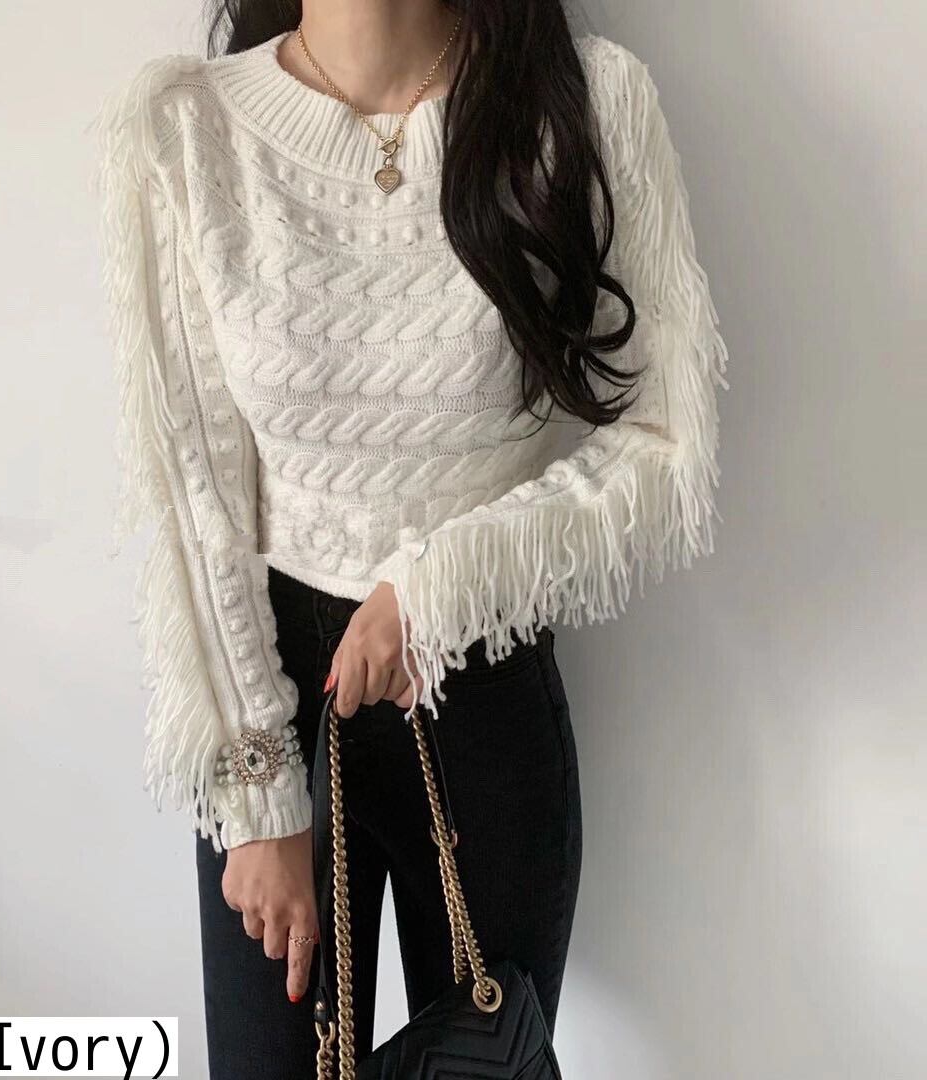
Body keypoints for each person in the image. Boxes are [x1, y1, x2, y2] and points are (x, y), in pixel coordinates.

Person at [94, 2, 728, 1076]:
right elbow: (192, 497)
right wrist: (256, 798)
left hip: (483, 694)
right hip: (272, 703)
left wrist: (437, 590)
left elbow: (669, 442)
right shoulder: (187, 128)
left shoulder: (580, 104)